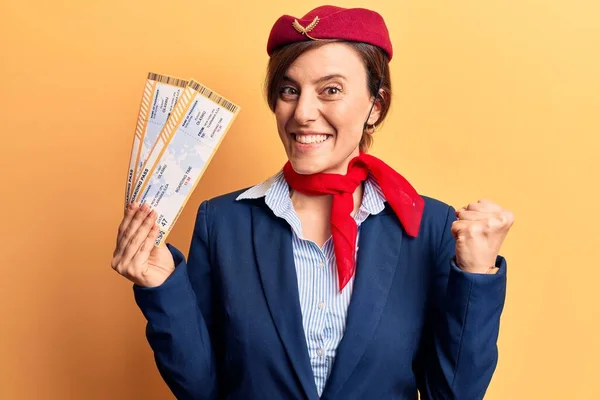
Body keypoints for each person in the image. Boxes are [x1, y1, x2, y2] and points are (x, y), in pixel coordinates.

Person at [111, 5, 514, 400]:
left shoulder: (429, 227)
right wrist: (162, 286)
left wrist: (476, 274)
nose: (302, 113)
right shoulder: (222, 222)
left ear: (376, 105)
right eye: (289, 90)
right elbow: (201, 388)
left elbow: (455, 393)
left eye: (331, 90)